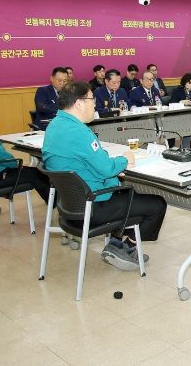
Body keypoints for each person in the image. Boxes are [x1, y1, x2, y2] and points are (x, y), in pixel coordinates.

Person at [42, 81, 167, 271]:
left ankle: (117, 242)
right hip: (93, 206)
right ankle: (124, 246)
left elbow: (83, 162)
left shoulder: (54, 125)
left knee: (130, 194)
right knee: (157, 205)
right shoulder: (79, 131)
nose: (95, 104)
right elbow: (106, 168)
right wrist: (123, 160)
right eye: (92, 99)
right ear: (79, 103)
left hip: (69, 207)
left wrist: (110, 167)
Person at [169, 73, 191, 149]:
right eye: (190, 83)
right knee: (188, 125)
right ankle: (186, 146)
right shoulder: (177, 91)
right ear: (185, 82)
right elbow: (171, 104)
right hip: (179, 116)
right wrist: (181, 103)